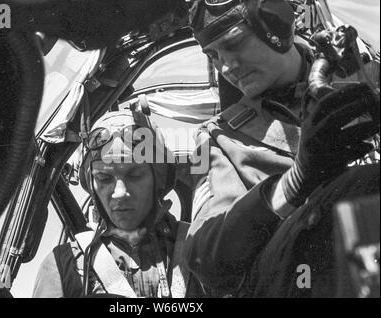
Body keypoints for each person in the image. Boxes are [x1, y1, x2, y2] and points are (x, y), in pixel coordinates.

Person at [183, 0, 380, 297]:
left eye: (234, 43)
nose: (225, 66)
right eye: (213, 56)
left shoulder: (365, 80)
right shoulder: (215, 139)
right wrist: (296, 182)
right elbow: (205, 257)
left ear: (274, 23)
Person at [32, 110, 206, 298]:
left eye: (135, 175)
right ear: (92, 185)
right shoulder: (65, 266)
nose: (120, 193)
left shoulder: (204, 248)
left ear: (159, 180)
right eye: (104, 178)